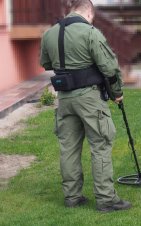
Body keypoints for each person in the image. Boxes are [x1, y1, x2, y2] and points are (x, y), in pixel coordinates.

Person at [40, 0, 131, 213]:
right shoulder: (90, 32)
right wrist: (117, 93)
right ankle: (106, 199)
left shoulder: (49, 34)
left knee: (68, 147)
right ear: (89, 12)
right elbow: (109, 68)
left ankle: (72, 197)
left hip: (64, 98)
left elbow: (46, 63)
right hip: (89, 98)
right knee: (100, 144)